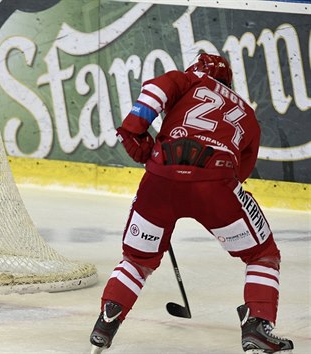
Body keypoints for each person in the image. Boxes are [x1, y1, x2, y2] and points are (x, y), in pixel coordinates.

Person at [89, 53, 294, 353]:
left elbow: (157, 88)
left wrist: (135, 128)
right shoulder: (247, 113)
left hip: (159, 181)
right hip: (216, 183)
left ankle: (107, 320)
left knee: (137, 260)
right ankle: (258, 326)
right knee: (262, 254)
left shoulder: (189, 79)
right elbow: (242, 173)